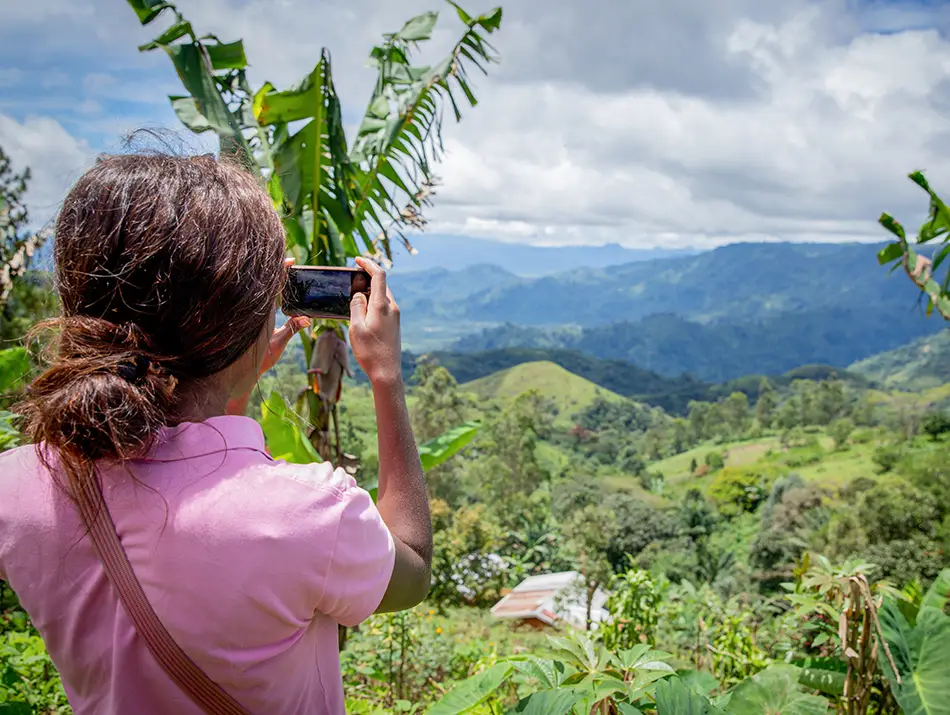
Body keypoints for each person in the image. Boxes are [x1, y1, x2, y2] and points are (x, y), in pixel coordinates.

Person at [0, 153, 432, 715]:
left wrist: (232, 383)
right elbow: (413, 570)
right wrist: (386, 376)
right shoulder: (306, 515)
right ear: (242, 330)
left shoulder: (17, 487)